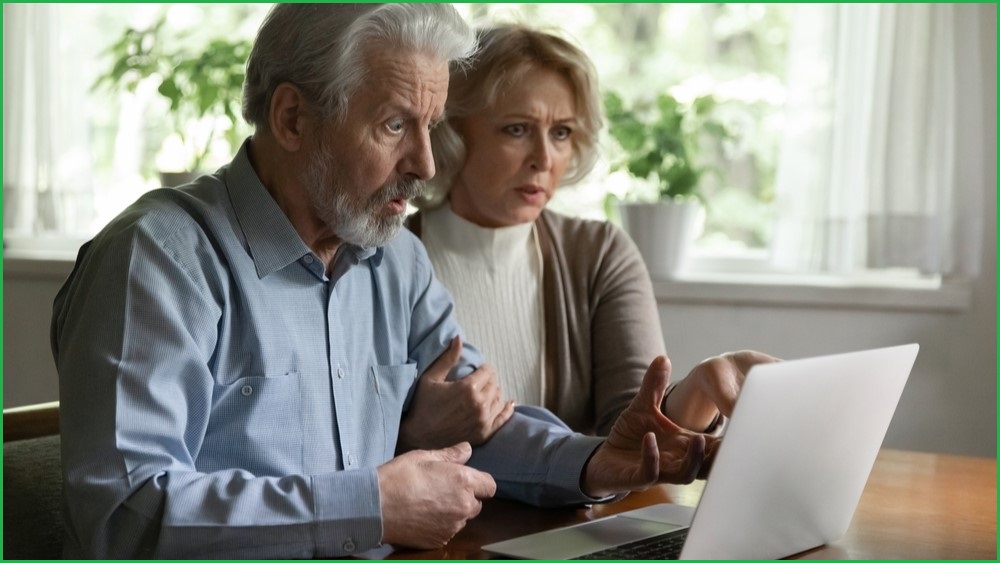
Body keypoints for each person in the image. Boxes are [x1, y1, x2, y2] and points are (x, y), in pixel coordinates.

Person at [51, 5, 717, 559]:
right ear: (291, 119)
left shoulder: (394, 258)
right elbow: (126, 512)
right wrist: (370, 504)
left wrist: (594, 463)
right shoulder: (157, 259)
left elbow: (479, 428)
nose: (426, 163)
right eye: (395, 124)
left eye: (430, 126)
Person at [401, 23, 777, 447]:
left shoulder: (600, 254)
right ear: (450, 132)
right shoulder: (384, 261)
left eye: (561, 132)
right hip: (434, 511)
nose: (543, 158)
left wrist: (701, 390)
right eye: (517, 129)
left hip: (578, 514)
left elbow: (635, 433)